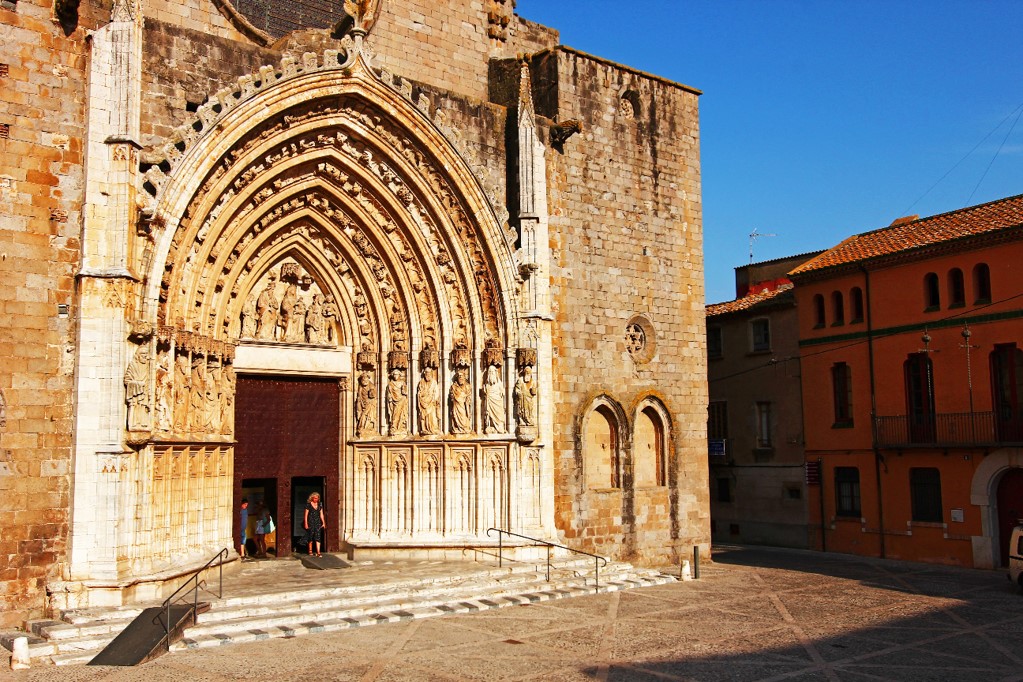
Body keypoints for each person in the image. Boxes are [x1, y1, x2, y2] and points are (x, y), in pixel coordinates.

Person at [303, 492, 326, 557]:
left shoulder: (319, 505)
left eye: (317, 498)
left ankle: (318, 552)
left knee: (318, 536)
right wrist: (306, 523)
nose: (316, 499)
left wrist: (323, 522)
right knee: (310, 536)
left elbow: (321, 514)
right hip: (310, 522)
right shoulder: (308, 505)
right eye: (315, 498)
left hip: (317, 522)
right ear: (312, 498)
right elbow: (306, 515)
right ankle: (310, 550)